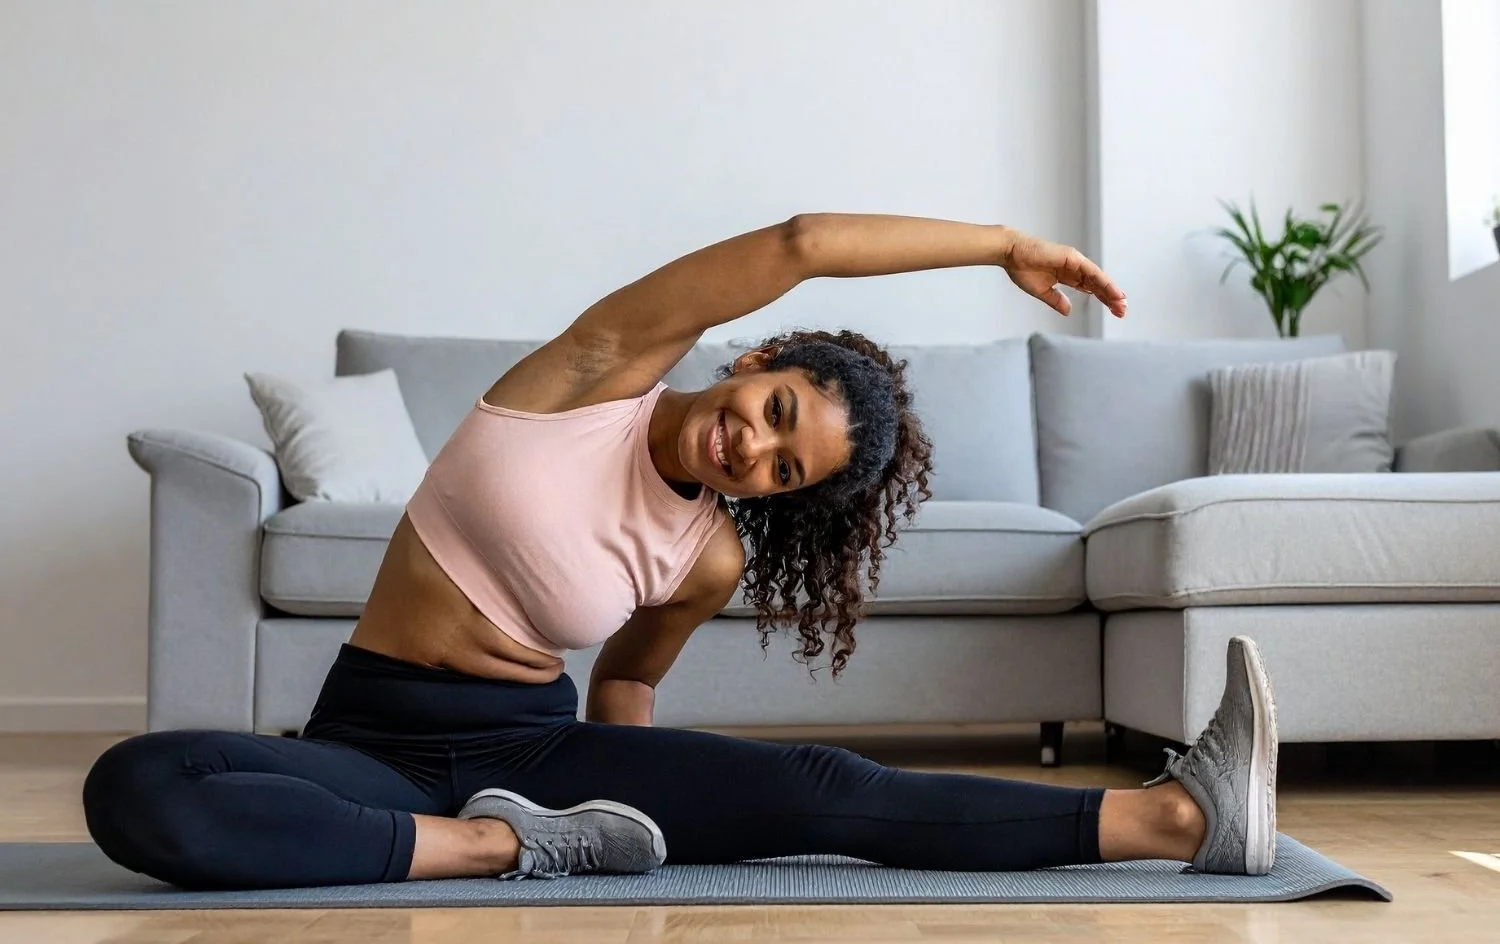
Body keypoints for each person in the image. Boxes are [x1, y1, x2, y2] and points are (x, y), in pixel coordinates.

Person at [82, 214, 1278, 889]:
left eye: (784, 468)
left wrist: (635, 777)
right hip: (378, 746)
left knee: (827, 790)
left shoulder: (705, 557)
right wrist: (997, 246)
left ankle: (1174, 819)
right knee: (137, 790)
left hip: (537, 746)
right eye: (775, 412)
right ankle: (500, 850)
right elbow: (803, 240)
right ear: (758, 364)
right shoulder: (594, 371)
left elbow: (626, 682)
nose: (753, 450)